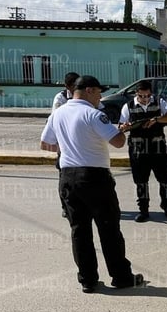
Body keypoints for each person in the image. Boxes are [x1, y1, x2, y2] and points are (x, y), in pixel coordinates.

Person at [40, 75, 144, 294]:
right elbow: (118, 142)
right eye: (98, 92)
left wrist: (71, 148)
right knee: (109, 229)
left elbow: (46, 144)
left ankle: (87, 280)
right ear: (88, 90)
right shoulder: (93, 114)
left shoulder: (58, 113)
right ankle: (121, 276)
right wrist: (119, 132)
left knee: (79, 230)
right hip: (95, 177)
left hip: (68, 177)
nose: (100, 96)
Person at [118, 80, 167, 222]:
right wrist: (125, 127)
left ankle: (166, 204)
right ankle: (143, 210)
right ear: (136, 94)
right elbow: (120, 126)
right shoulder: (128, 106)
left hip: (158, 149)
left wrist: (157, 119)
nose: (145, 99)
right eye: (142, 96)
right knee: (141, 181)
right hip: (138, 150)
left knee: (165, 179)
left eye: (148, 96)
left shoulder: (159, 101)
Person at [52, 72, 80, 217]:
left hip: (80, 143)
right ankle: (65, 206)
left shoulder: (84, 94)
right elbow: (56, 120)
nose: (76, 88)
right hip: (64, 144)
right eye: (73, 86)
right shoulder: (61, 97)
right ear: (67, 86)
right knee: (65, 177)